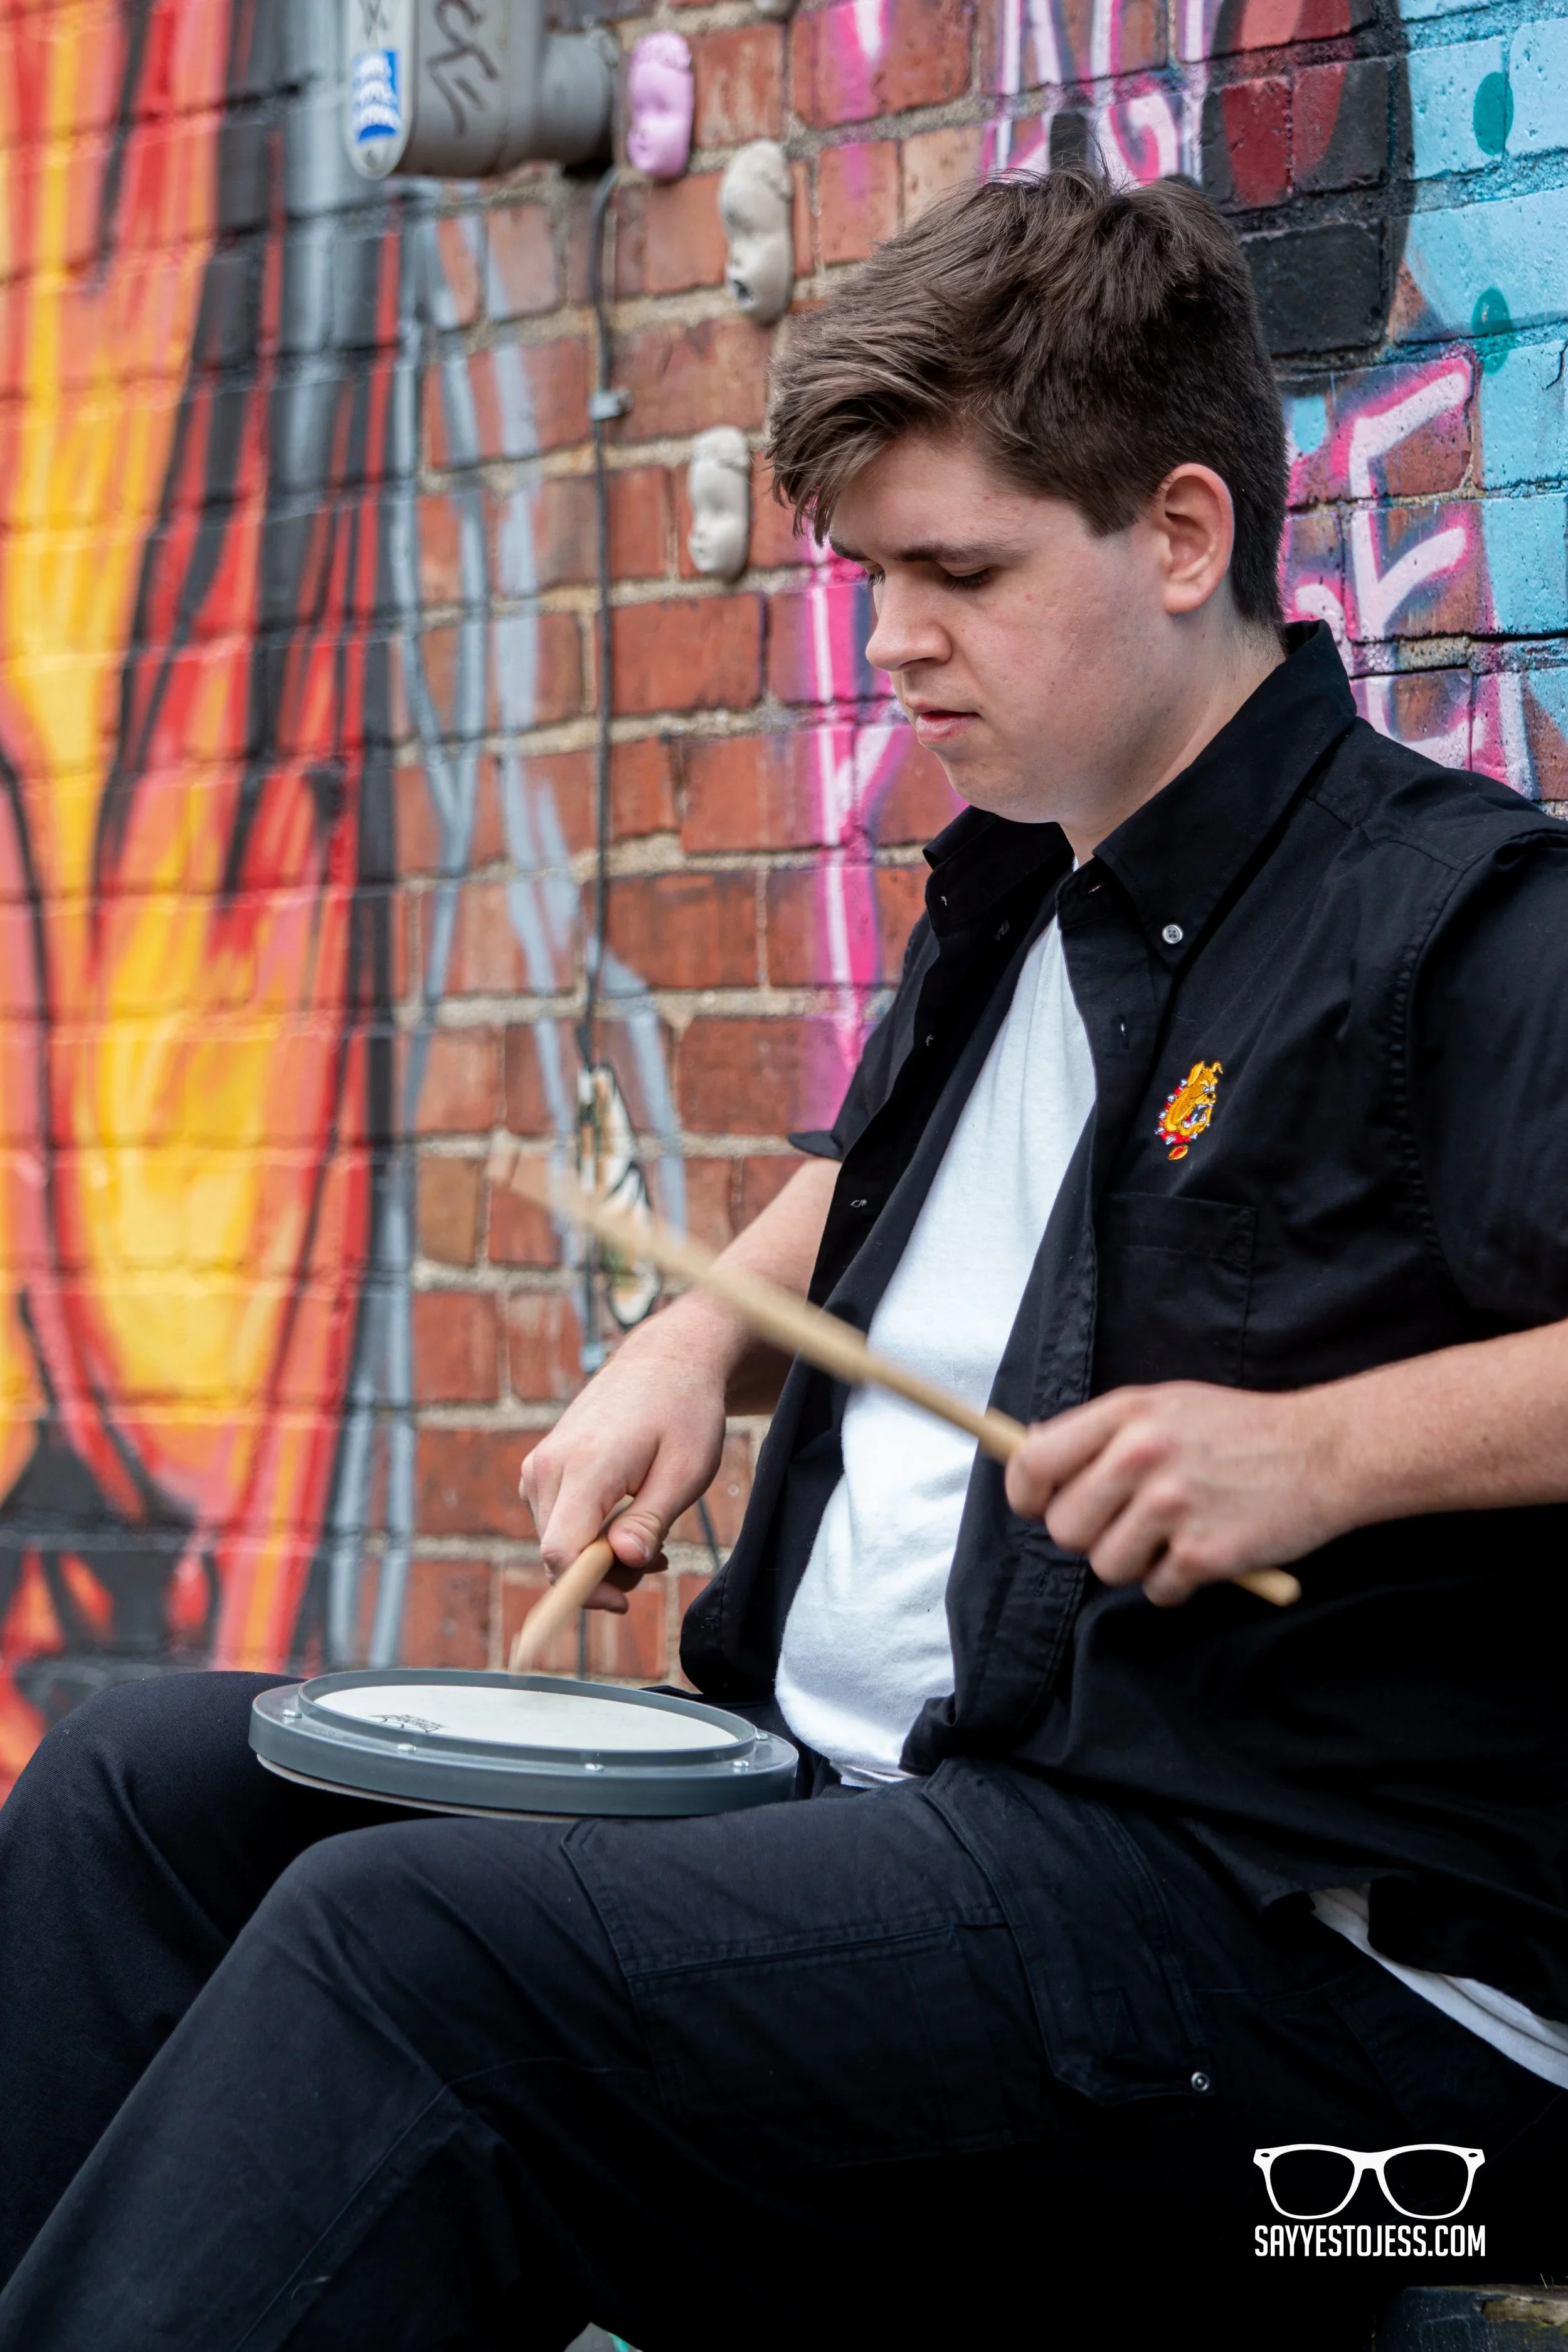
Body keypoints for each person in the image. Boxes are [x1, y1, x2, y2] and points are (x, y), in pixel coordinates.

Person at [3, 168, 1567, 2350]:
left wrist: (1318, 1453)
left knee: (411, 1952)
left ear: (1185, 538)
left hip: (1300, 2003)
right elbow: (892, 1193)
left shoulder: (1453, 925)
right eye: (871, 576)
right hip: (882, 1829)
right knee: (132, 1796)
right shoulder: (1024, 882)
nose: (894, 638)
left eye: (960, 572)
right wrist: (689, 1336)